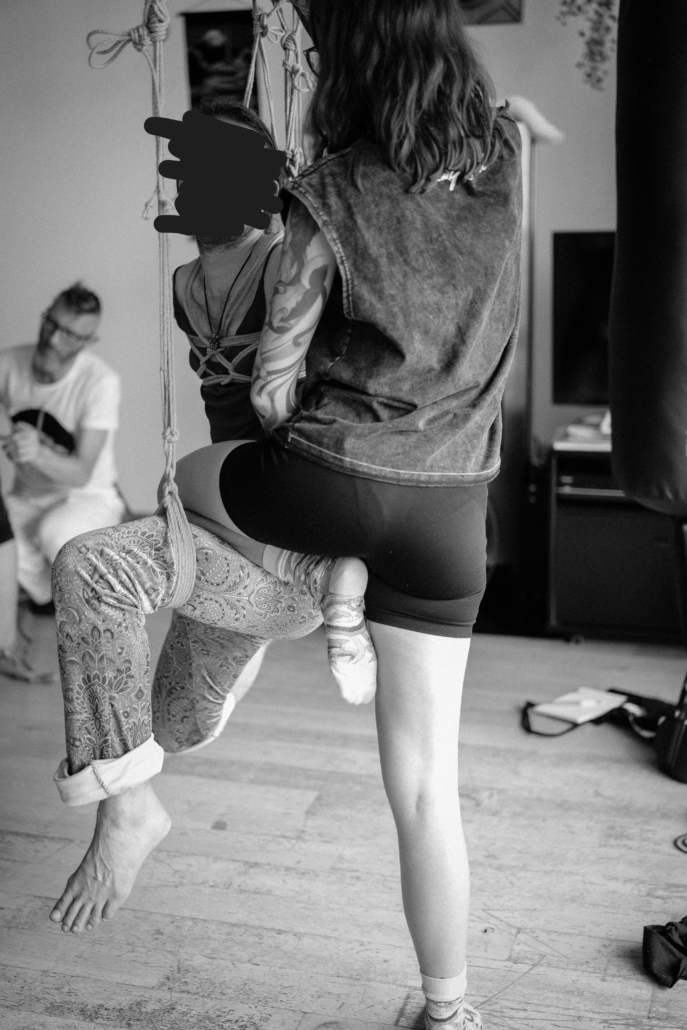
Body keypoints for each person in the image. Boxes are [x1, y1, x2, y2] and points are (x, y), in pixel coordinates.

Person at [51, 4, 522, 1029]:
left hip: (318, 487)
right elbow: (497, 128)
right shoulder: (505, 162)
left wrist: (293, 452)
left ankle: (322, 579)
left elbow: (276, 387)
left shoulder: (318, 203)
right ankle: (449, 1012)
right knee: (423, 791)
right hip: (441, 519)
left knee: (185, 475)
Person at [0, 283, 124, 674]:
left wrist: (36, 452)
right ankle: (45, 597)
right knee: (6, 550)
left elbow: (81, 471)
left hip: (87, 496)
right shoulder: (8, 363)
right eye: (51, 324)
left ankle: (87, 597)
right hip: (26, 497)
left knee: (56, 534)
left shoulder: (100, 381)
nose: (53, 339)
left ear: (88, 341)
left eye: (69, 334)